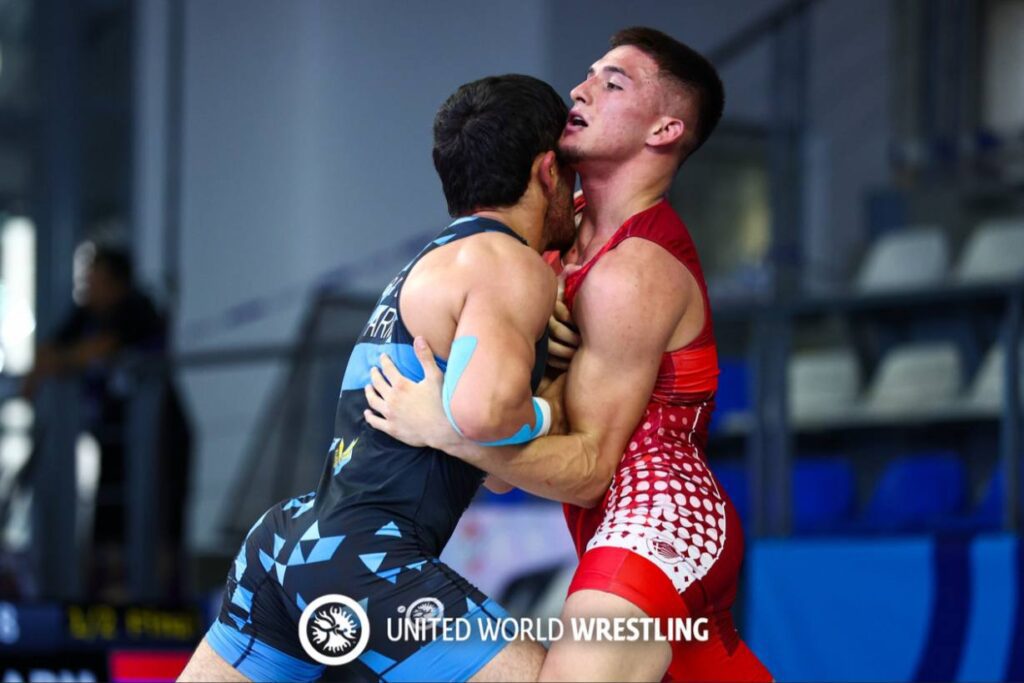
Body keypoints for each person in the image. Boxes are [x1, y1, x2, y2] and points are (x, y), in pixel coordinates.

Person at [365, 27, 772, 682]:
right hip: (601, 518)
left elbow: (586, 470)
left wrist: (447, 427)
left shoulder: (634, 272)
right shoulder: (550, 239)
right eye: (588, 75)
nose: (580, 90)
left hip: (664, 517)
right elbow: (507, 468)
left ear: (665, 130)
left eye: (614, 83)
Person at [179, 74, 577, 682]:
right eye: (573, 173)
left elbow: (496, 470)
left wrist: (532, 381)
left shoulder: (438, 260)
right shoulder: (508, 264)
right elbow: (485, 417)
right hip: (367, 556)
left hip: (289, 542)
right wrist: (552, 409)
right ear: (548, 171)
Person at [23, 246, 191, 601]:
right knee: (109, 519)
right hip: (116, 438)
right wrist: (43, 368)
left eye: (94, 279)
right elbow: (50, 348)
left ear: (116, 283)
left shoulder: (137, 309)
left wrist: (59, 362)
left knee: (158, 515)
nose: (86, 286)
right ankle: (110, 596)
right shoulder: (85, 312)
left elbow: (98, 349)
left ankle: (160, 601)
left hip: (160, 435)